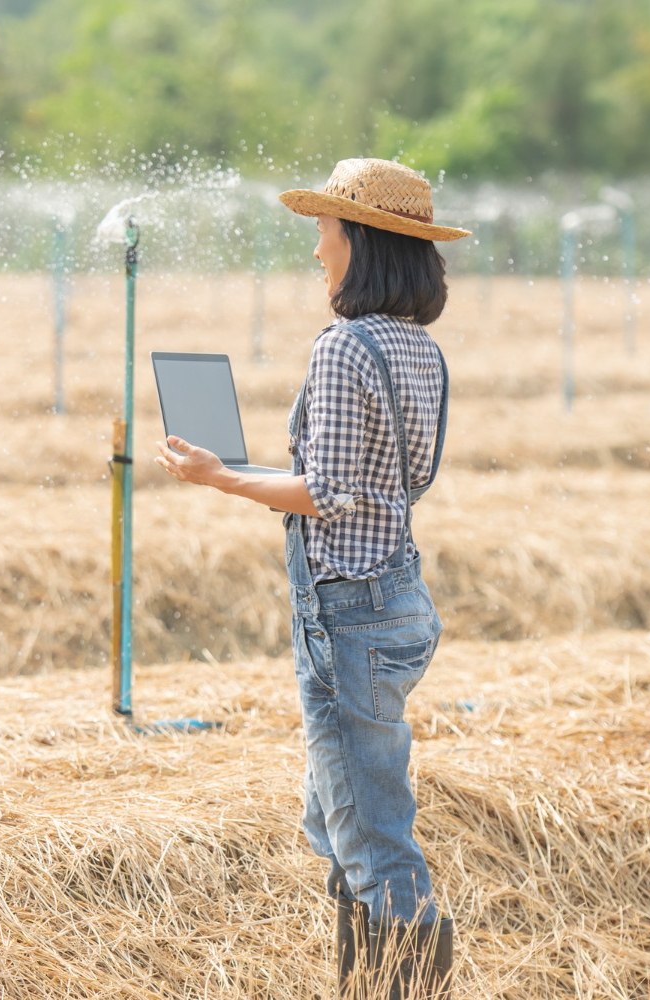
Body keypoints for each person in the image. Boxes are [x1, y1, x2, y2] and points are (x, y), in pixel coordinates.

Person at [154, 158, 468, 998]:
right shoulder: (420, 351)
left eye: (326, 230)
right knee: (333, 817)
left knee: (370, 835)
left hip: (349, 611)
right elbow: (377, 482)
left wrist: (220, 479)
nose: (317, 249)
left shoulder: (341, 347)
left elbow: (325, 494)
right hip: (398, 597)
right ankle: (361, 979)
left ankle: (401, 986)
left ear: (359, 240)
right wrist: (236, 469)